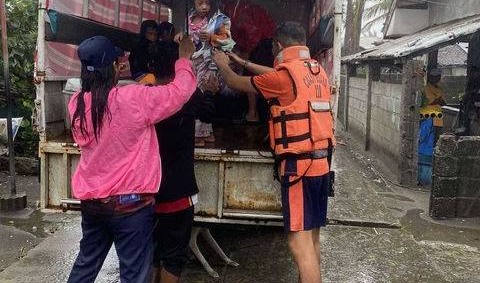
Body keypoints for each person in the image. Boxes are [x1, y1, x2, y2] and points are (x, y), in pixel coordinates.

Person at [67, 35, 196, 283]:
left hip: (93, 202)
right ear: (114, 67)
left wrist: (113, 72)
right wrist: (183, 60)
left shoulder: (77, 104)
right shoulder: (134, 98)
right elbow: (179, 93)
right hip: (131, 205)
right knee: (134, 275)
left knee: (85, 266)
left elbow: (104, 97)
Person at [213, 22, 334, 283]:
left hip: (299, 169)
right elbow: (275, 75)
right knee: (311, 242)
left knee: (298, 245)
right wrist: (241, 60)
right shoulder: (316, 71)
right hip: (321, 166)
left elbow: (234, 83)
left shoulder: (282, 78)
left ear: (277, 45)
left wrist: (222, 62)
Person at [148, 43, 217, 283]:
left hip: (147, 191)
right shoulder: (185, 95)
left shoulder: (143, 95)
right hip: (179, 192)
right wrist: (208, 91)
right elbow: (208, 113)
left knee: (152, 252)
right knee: (175, 255)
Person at [175, 0, 236, 147]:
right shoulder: (188, 16)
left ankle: (198, 135)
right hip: (192, 62)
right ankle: (206, 133)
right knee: (196, 95)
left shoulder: (220, 19)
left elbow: (228, 41)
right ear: (194, 2)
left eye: (207, 3)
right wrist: (182, 35)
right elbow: (188, 36)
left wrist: (211, 36)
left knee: (200, 96)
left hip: (209, 64)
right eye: (200, 3)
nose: (204, 7)